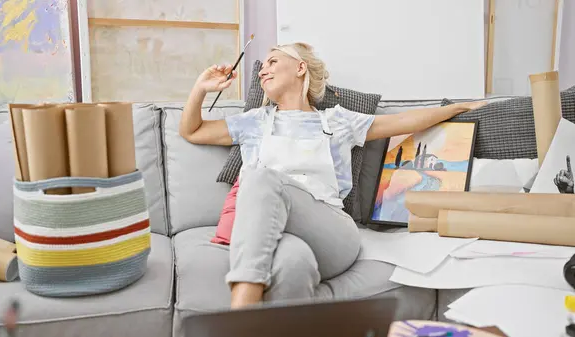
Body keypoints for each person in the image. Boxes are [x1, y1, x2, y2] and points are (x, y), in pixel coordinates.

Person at [179, 42, 487, 309]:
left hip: (330, 230)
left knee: (260, 178)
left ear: (300, 68)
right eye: (263, 67)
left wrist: (456, 108)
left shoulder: (338, 121)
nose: (262, 71)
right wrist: (200, 88)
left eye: (273, 61)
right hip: (278, 235)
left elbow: (403, 121)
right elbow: (192, 130)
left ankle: (239, 314)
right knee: (292, 263)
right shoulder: (254, 122)